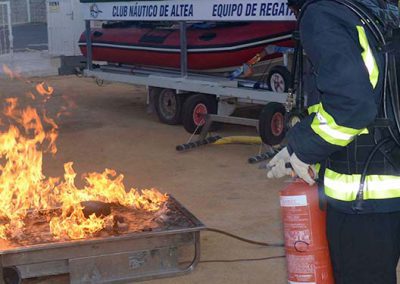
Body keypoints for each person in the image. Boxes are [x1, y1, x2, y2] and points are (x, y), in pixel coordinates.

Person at [266, 0, 400, 283]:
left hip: (363, 196)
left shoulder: (323, 14)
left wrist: (303, 148)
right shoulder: (378, 9)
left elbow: (352, 108)